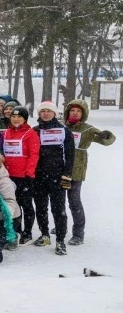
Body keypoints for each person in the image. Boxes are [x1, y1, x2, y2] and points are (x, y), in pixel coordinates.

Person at [62, 99, 116, 245]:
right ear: (68, 112)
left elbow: (108, 140)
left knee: (74, 201)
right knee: (58, 201)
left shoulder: (87, 129)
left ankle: (78, 233)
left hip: (76, 169)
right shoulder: (61, 126)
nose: (75, 113)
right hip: (59, 168)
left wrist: (106, 135)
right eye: (72, 110)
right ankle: (60, 226)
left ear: (83, 114)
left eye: (78, 111)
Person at [32, 101, 75, 255]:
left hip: (57, 176)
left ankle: (60, 241)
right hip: (38, 176)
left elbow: (70, 155)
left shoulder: (64, 130)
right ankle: (44, 235)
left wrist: (67, 174)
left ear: (54, 113)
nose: (45, 113)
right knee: (41, 207)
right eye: (42, 111)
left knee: (59, 209)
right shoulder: (35, 131)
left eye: (48, 111)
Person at [2, 105, 39, 245]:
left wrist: (29, 173)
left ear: (25, 119)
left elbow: (33, 154)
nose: (16, 119)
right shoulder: (6, 133)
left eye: (19, 117)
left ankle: (27, 232)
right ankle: (16, 230)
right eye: (13, 116)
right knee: (13, 204)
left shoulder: (30, 134)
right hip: (8, 175)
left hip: (24, 176)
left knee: (26, 204)